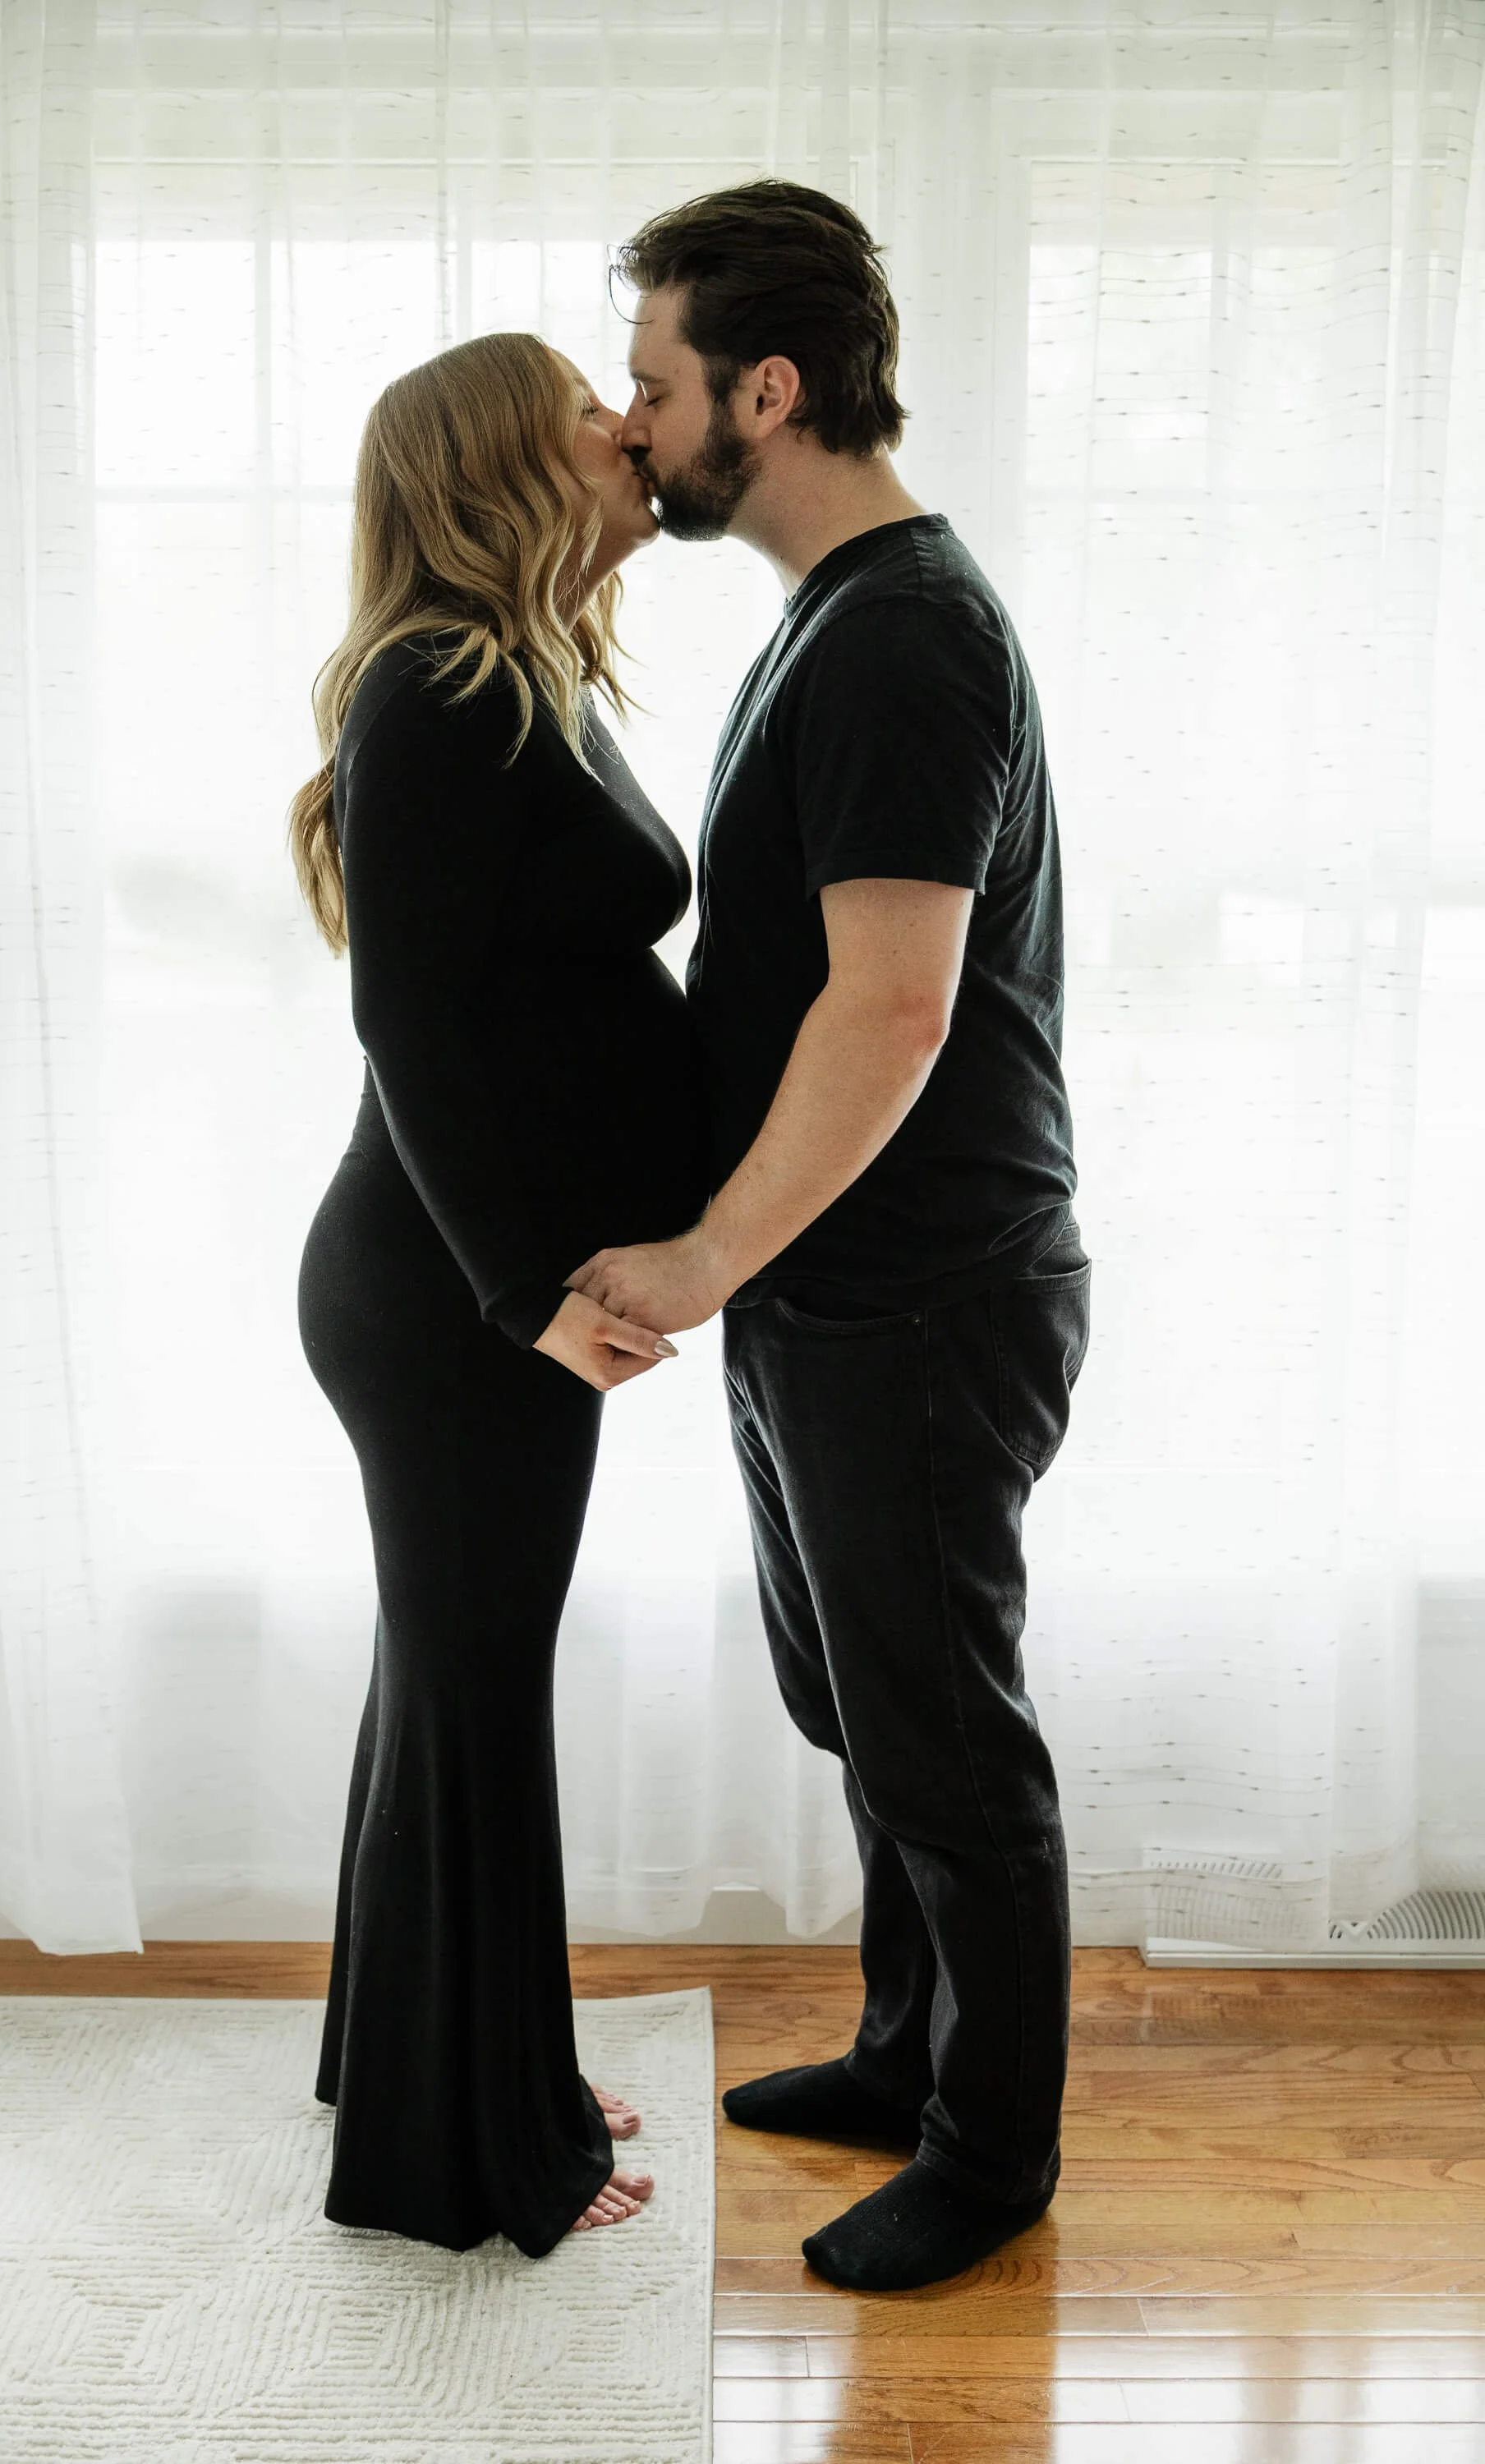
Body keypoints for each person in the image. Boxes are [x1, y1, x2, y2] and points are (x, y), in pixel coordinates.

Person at [570, 181, 1091, 2292]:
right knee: (859, 1703)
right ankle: (903, 2049)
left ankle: (993, 2152)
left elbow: (894, 1005)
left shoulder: (901, 636)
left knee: (945, 1737)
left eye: (656, 384)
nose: (632, 425)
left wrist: (700, 1260)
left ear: (764, 393)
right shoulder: (836, 612)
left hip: (926, 1291)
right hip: (835, 1284)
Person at [290, 331, 703, 2254]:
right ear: (499, 474)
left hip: (469, 1289)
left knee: (444, 1680)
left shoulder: (526, 665)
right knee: (473, 1693)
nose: (627, 431)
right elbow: (407, 1026)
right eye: (587, 417)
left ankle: (421, 2066)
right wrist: (524, 1291)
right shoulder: (444, 683)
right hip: (449, 1300)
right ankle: (461, 2150)